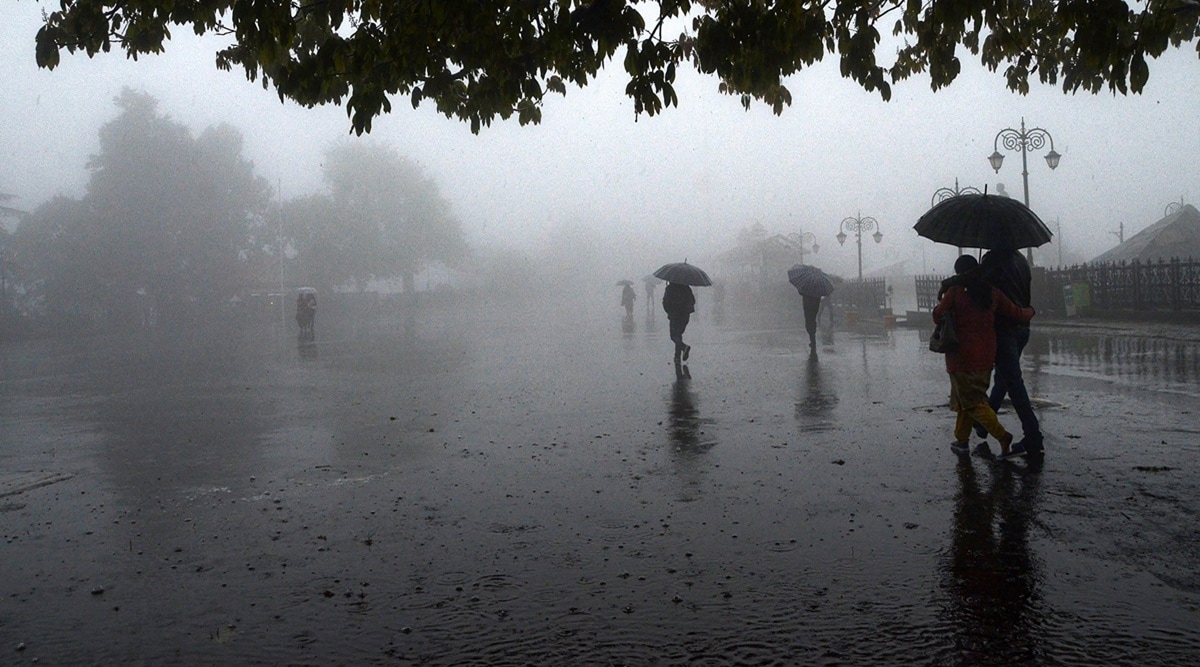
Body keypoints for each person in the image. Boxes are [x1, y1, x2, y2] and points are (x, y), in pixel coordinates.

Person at [933, 255, 1035, 460]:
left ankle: (1002, 436)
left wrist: (943, 300)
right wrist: (1031, 311)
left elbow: (937, 316)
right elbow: (1016, 313)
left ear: (959, 273)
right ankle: (961, 441)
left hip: (961, 357)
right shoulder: (992, 293)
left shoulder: (955, 292)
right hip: (986, 357)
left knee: (972, 402)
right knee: (966, 399)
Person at [979, 248, 1043, 453]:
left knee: (1013, 381)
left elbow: (984, 291)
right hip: (1022, 327)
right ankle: (984, 424)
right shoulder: (1022, 261)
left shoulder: (992, 259)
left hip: (1004, 326)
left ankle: (1033, 435)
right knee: (1004, 377)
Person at [662, 281, 695, 362]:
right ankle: (677, 356)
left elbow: (665, 303)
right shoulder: (686, 288)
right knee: (678, 335)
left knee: (674, 336)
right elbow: (693, 301)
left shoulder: (670, 289)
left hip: (675, 315)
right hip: (685, 316)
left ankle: (683, 347)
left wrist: (669, 312)